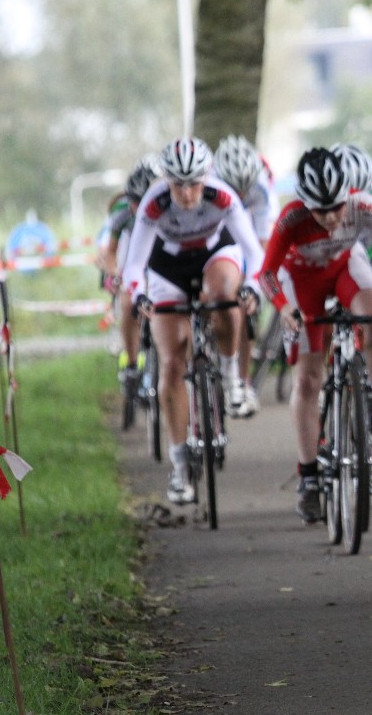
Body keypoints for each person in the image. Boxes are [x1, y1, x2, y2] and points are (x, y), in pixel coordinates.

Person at [258, 147, 372, 523]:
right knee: (308, 379)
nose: (331, 217)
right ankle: (309, 476)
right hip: (301, 280)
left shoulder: (364, 206)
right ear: (305, 203)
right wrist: (284, 307)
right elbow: (266, 273)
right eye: (321, 210)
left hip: (345, 267)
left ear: (348, 194)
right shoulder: (291, 217)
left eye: (337, 206)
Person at [122, 137, 264, 505]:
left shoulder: (222, 196)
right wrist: (140, 295)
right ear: (167, 182)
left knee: (225, 297)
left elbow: (254, 253)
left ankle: (232, 377)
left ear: (207, 178)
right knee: (171, 362)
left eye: (195, 184)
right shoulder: (154, 202)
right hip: (167, 265)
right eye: (178, 185)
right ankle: (180, 466)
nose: (187, 194)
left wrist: (251, 286)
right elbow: (134, 265)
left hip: (214, 253)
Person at [213, 134, 279, 417]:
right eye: (233, 189)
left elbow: (262, 246)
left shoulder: (262, 189)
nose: (239, 195)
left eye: (244, 190)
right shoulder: (209, 183)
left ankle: (242, 380)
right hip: (217, 235)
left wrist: (253, 283)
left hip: (248, 234)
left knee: (244, 305)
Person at [96, 155, 161, 386]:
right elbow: (111, 251)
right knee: (127, 303)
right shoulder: (122, 210)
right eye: (136, 202)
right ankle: (132, 364)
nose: (142, 209)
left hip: (160, 258)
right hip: (132, 255)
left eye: (146, 202)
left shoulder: (169, 205)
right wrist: (113, 274)